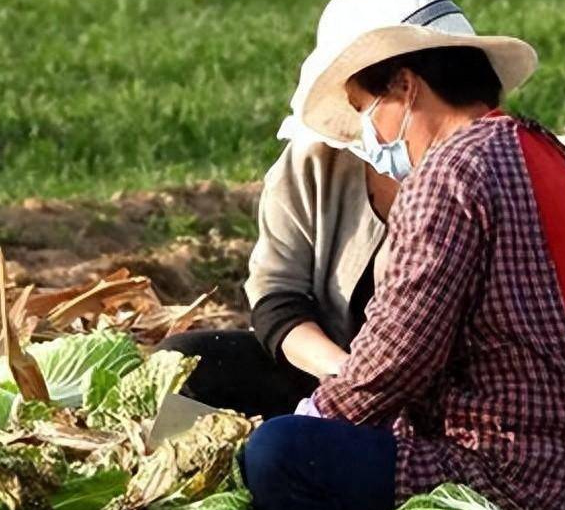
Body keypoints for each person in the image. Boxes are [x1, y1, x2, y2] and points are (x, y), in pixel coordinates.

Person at [240, 0, 565, 510]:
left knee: (281, 455)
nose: (368, 134)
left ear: (405, 85)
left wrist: (315, 415)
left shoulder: (451, 173)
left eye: (365, 109)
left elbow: (396, 358)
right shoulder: (541, 149)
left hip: (542, 500)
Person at [159, 94, 399, 419]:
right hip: (326, 367)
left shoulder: (460, 176)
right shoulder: (315, 160)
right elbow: (277, 293)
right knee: (183, 364)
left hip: (419, 392)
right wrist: (342, 373)